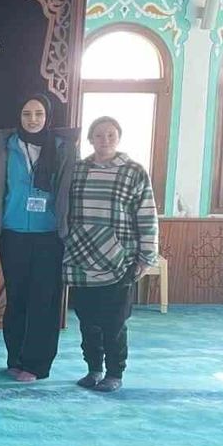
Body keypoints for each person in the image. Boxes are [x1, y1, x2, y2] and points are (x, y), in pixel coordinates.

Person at [62, 116, 158, 392]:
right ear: (90, 139)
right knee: (87, 320)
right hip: (81, 258)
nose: (104, 140)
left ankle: (115, 372)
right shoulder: (78, 170)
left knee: (114, 322)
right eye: (99, 135)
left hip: (119, 259)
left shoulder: (134, 171)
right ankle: (93, 369)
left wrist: (146, 255)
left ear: (119, 138)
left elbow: (147, 215)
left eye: (110, 135)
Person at [0, 94, 76, 382]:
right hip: (13, 232)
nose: (33, 119)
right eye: (27, 113)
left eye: (38, 113)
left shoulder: (62, 147)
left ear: (47, 116)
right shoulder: (7, 145)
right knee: (16, 299)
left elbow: (67, 190)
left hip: (48, 235)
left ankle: (37, 364)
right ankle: (15, 358)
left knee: (44, 301)